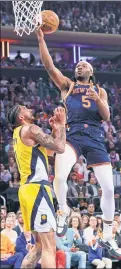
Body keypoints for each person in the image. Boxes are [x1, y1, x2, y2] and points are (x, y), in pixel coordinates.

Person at [35, 28, 121, 259]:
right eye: (77, 65)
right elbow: (49, 66)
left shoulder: (99, 90)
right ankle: (62, 212)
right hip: (72, 135)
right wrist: (41, 40)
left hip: (94, 137)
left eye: (83, 65)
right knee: (60, 176)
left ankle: (108, 235)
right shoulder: (68, 86)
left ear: (91, 72)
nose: (79, 66)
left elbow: (106, 116)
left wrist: (97, 99)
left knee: (110, 189)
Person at [7, 104, 66, 269]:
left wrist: (55, 130)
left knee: (40, 246)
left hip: (26, 190)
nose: (29, 109)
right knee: (49, 246)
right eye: (25, 108)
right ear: (21, 117)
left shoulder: (18, 134)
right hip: (36, 189)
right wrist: (62, 125)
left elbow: (49, 151)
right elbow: (60, 148)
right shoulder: (31, 128)